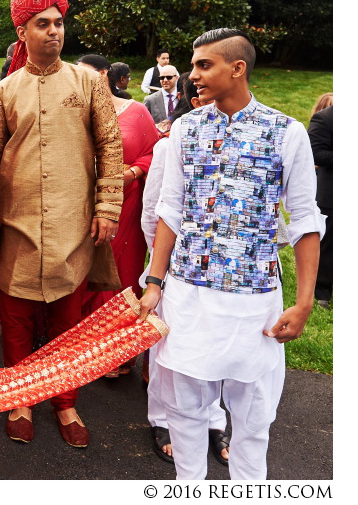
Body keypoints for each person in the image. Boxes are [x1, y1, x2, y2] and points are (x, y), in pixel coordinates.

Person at [139, 28, 324, 480]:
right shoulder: (185, 128)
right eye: (193, 65)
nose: (192, 75)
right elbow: (171, 208)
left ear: (237, 68)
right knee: (183, 411)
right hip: (186, 294)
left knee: (254, 417)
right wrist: (154, 282)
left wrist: (303, 303)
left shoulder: (287, 132)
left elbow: (304, 220)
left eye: (204, 65)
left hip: (254, 301)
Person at [0, 0, 123, 448]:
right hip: (15, 222)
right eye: (42, 23)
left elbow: (111, 148)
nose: (54, 31)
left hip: (71, 223)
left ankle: (65, 401)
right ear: (23, 32)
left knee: (66, 320)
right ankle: (20, 398)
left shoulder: (87, 81)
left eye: (58, 22)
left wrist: (107, 208)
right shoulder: (4, 90)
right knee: (14, 318)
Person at [140, 74, 230, 466]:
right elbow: (154, 211)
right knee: (170, 349)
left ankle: (213, 420)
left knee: (218, 346)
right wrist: (159, 267)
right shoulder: (170, 144)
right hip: (176, 267)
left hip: (226, 270)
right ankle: (163, 419)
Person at [77, 54, 158, 376]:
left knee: (123, 273)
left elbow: (156, 152)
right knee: (82, 274)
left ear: (104, 74)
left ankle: (118, 353)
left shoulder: (136, 112)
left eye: (88, 76)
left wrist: (134, 171)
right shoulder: (73, 116)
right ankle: (82, 349)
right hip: (82, 205)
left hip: (126, 205)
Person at [308, 99, 332, 309]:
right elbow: (315, 153)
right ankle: (323, 293)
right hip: (332, 192)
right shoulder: (325, 118)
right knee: (328, 245)